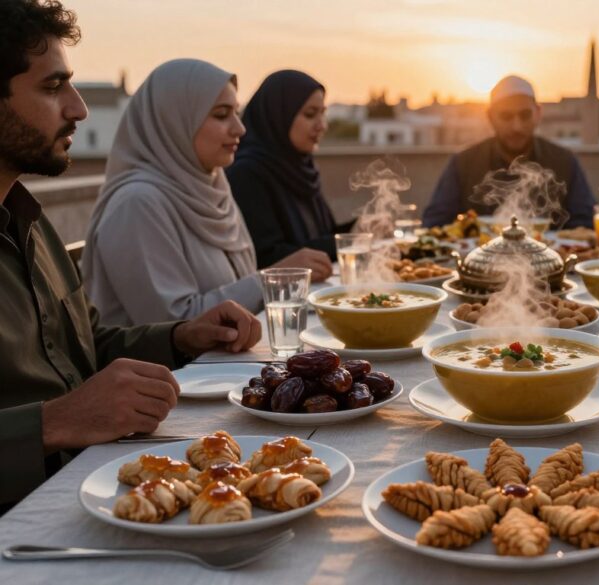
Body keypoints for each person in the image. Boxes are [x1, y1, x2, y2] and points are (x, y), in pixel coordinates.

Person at [0, 0, 262, 511]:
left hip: (91, 484)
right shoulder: (137, 201)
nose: (78, 108)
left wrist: (181, 335)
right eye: (53, 87)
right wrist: (53, 423)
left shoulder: (29, 222)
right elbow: (67, 405)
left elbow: (84, 344)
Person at [81, 59, 332, 327]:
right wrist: (277, 277)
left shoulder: (213, 189)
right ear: (174, 120)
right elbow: (176, 327)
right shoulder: (137, 204)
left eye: (236, 112)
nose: (240, 128)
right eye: (222, 115)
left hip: (226, 361)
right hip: (177, 369)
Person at [422, 75, 596, 229]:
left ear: (538, 113)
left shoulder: (563, 161)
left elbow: (586, 223)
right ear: (490, 116)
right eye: (506, 116)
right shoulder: (463, 163)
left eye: (525, 115)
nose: (516, 126)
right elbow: (435, 223)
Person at [226, 70, 354, 268]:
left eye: (323, 113)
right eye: (310, 114)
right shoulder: (247, 173)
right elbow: (267, 257)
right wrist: (352, 241)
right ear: (278, 115)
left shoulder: (302, 169)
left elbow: (322, 236)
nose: (322, 125)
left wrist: (362, 229)